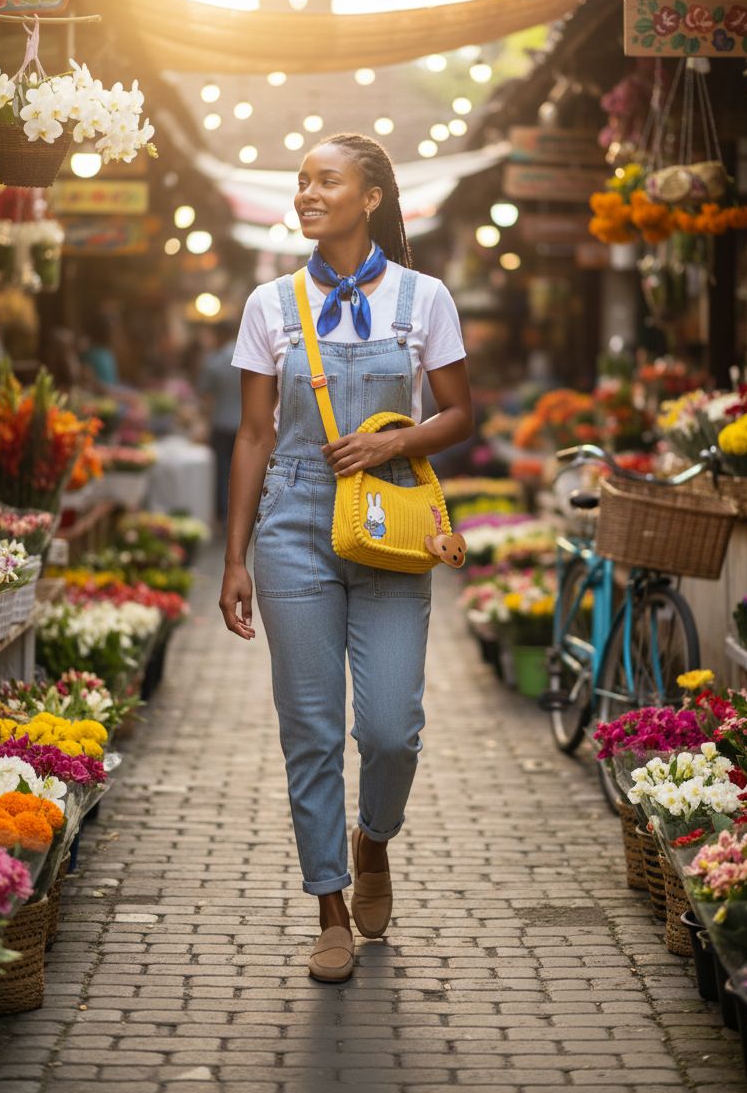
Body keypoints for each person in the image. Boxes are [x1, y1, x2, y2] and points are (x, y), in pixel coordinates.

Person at [221, 132, 473, 984]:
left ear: (371, 197)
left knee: (393, 727)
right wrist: (234, 559)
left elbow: (460, 414)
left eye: (326, 181)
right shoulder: (269, 304)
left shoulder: (423, 297)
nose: (307, 194)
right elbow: (254, 436)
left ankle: (375, 840)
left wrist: (394, 440)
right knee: (312, 728)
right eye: (301, 183)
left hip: (392, 521)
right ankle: (328, 903)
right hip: (293, 520)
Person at [198, 320, 243, 523]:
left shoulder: (213, 361)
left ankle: (225, 516)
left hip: (221, 423)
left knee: (222, 471)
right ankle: (244, 515)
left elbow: (205, 396)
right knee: (243, 469)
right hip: (245, 424)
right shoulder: (246, 356)